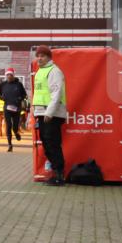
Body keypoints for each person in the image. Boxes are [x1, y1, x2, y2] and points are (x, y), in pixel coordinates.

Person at [32, 45, 67, 186]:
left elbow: (56, 93)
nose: (39, 58)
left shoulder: (54, 71)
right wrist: (34, 113)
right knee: (47, 144)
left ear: (49, 57)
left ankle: (59, 175)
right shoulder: (40, 72)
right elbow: (38, 94)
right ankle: (55, 173)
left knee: (53, 144)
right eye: (38, 56)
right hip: (42, 113)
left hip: (52, 114)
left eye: (43, 56)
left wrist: (50, 112)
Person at [0, 67, 28, 152]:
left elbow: (24, 94)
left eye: (10, 75)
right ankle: (10, 144)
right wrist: (1, 97)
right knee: (8, 126)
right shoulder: (3, 84)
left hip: (16, 109)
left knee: (15, 127)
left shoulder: (18, 84)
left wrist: (20, 99)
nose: (9, 76)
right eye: (7, 75)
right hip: (7, 108)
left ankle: (16, 133)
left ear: (13, 75)